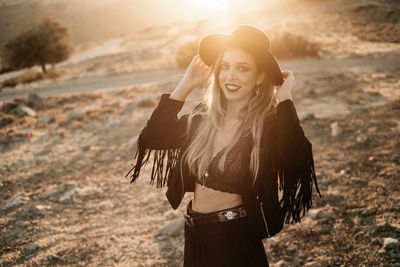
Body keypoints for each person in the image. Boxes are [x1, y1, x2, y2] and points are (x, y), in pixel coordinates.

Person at [125, 24, 321, 267]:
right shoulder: (202, 118)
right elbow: (153, 138)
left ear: (260, 76)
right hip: (195, 234)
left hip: (235, 240)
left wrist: (285, 99)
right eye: (225, 66)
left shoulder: (268, 124)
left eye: (242, 68)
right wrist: (185, 85)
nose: (230, 76)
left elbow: (296, 158)